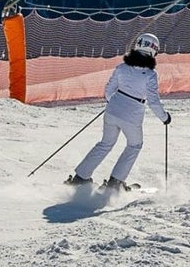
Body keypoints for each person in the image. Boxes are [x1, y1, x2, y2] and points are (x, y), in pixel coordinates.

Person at [66, 31, 170, 189]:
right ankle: (116, 182)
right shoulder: (150, 74)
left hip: (112, 110)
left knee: (105, 143)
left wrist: (114, 103)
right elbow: (153, 102)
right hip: (133, 114)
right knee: (134, 145)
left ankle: (80, 177)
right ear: (154, 50)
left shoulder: (122, 67)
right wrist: (165, 118)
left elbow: (109, 90)